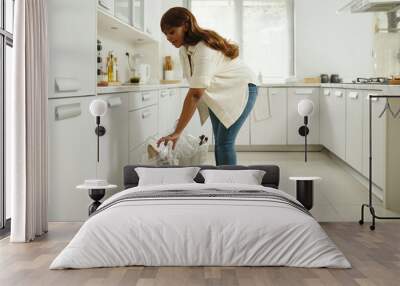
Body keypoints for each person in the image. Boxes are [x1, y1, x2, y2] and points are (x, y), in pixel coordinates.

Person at [157, 7, 258, 166]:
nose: (168, 38)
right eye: (165, 34)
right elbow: (195, 87)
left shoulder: (204, 47)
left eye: (172, 32)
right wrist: (178, 127)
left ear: (185, 25)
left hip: (240, 88)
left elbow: (196, 93)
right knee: (219, 141)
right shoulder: (184, 50)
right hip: (219, 91)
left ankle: (229, 186)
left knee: (225, 142)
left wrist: (178, 132)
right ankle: (221, 181)